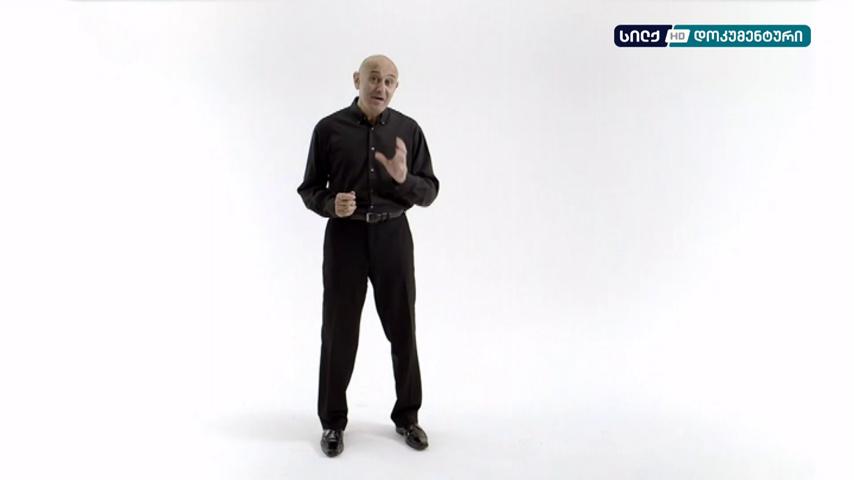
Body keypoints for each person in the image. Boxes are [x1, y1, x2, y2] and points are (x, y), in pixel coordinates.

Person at [297, 54, 439, 457]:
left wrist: (404, 179)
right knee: (338, 331)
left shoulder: (408, 131)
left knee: (403, 327)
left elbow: (429, 190)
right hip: (345, 238)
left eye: (390, 81)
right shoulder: (328, 129)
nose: (381, 87)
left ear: (396, 87)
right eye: (374, 78)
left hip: (393, 236)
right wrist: (331, 204)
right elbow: (309, 189)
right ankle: (332, 422)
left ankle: (408, 417)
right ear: (357, 79)